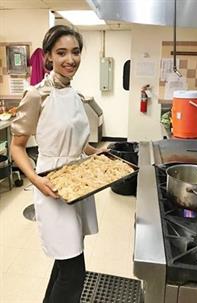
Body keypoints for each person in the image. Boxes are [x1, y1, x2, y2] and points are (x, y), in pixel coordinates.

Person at [10, 25, 104, 303]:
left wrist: (93, 152)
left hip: (77, 185)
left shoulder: (74, 94)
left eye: (75, 52)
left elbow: (75, 140)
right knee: (74, 271)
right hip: (52, 186)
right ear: (48, 57)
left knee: (67, 260)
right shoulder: (38, 94)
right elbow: (17, 147)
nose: (70, 59)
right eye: (61, 52)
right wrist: (36, 180)